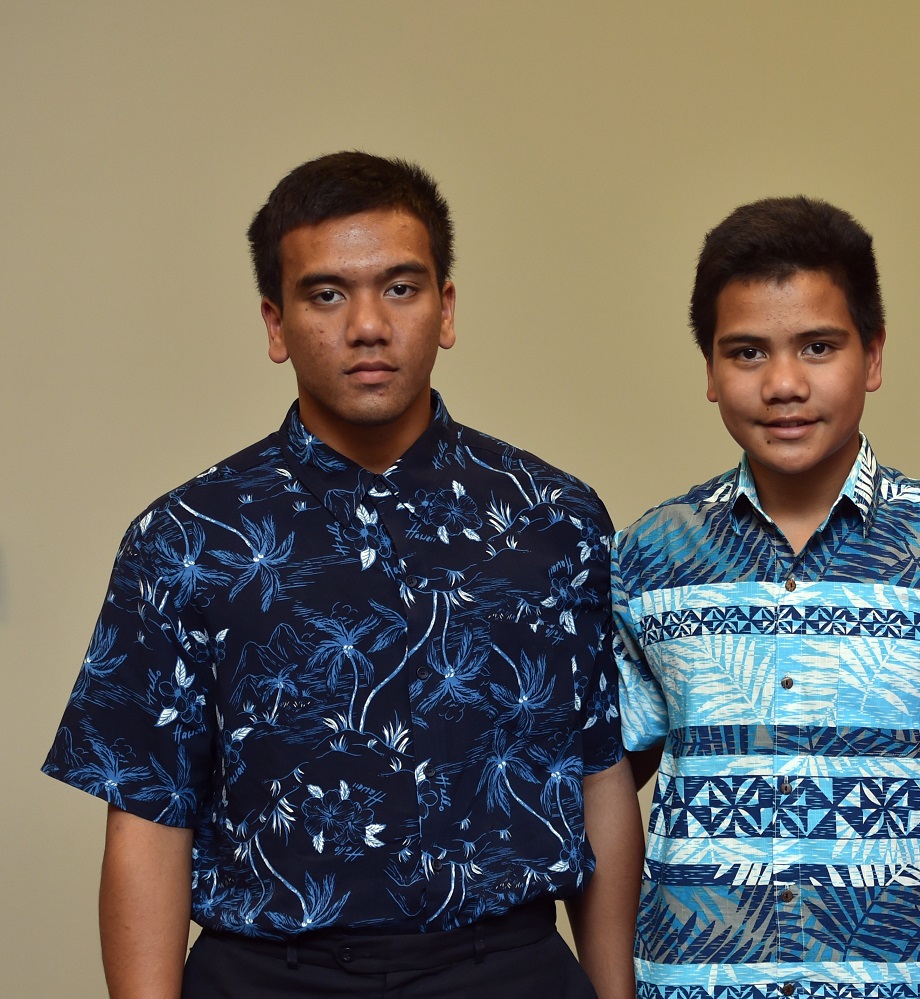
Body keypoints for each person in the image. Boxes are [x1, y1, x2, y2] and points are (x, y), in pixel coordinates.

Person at [42, 151, 640, 999]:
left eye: (401, 287)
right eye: (327, 293)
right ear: (275, 324)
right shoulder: (185, 538)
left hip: (506, 970)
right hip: (265, 974)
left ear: (447, 308)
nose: (368, 324)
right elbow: (147, 816)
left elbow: (600, 776)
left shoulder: (555, 519)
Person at [612, 197, 920, 997]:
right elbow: (608, 780)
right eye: (746, 352)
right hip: (697, 982)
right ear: (711, 371)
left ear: (874, 355)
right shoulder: (652, 553)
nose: (784, 383)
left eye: (818, 346)